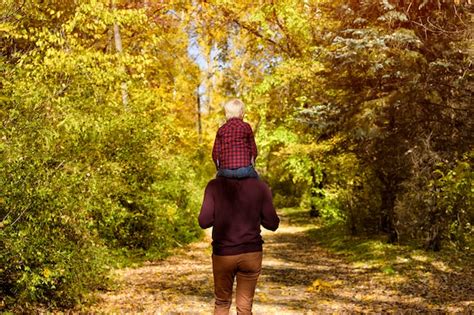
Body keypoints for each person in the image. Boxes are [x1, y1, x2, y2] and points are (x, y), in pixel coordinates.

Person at [198, 176, 280, 314]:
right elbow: (272, 224)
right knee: (245, 307)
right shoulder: (260, 186)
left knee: (222, 303)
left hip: (223, 255)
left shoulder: (214, 186)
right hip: (251, 254)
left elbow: (204, 221)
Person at [212, 99, 259, 178]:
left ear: (227, 114)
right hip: (245, 170)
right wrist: (252, 162)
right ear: (242, 114)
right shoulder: (246, 127)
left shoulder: (221, 130)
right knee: (259, 184)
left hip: (225, 171)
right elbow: (254, 150)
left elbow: (215, 154)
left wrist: (219, 168)